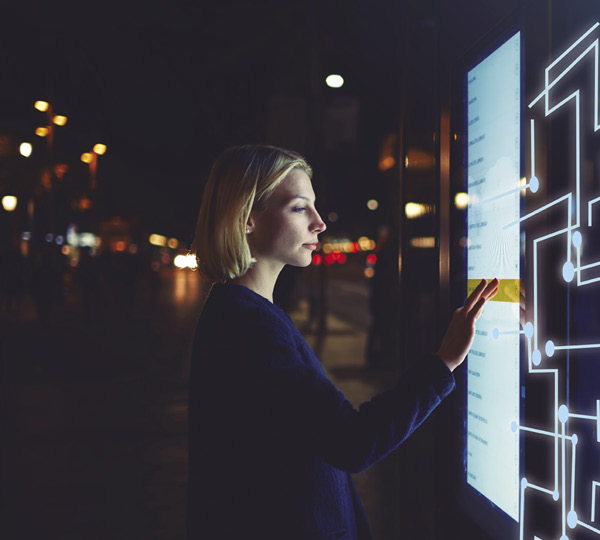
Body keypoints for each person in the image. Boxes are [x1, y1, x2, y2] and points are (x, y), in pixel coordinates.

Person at [187, 144, 498, 539]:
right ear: (247, 218)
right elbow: (353, 441)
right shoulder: (251, 327)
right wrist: (444, 362)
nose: (319, 223)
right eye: (300, 208)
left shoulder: (242, 313)